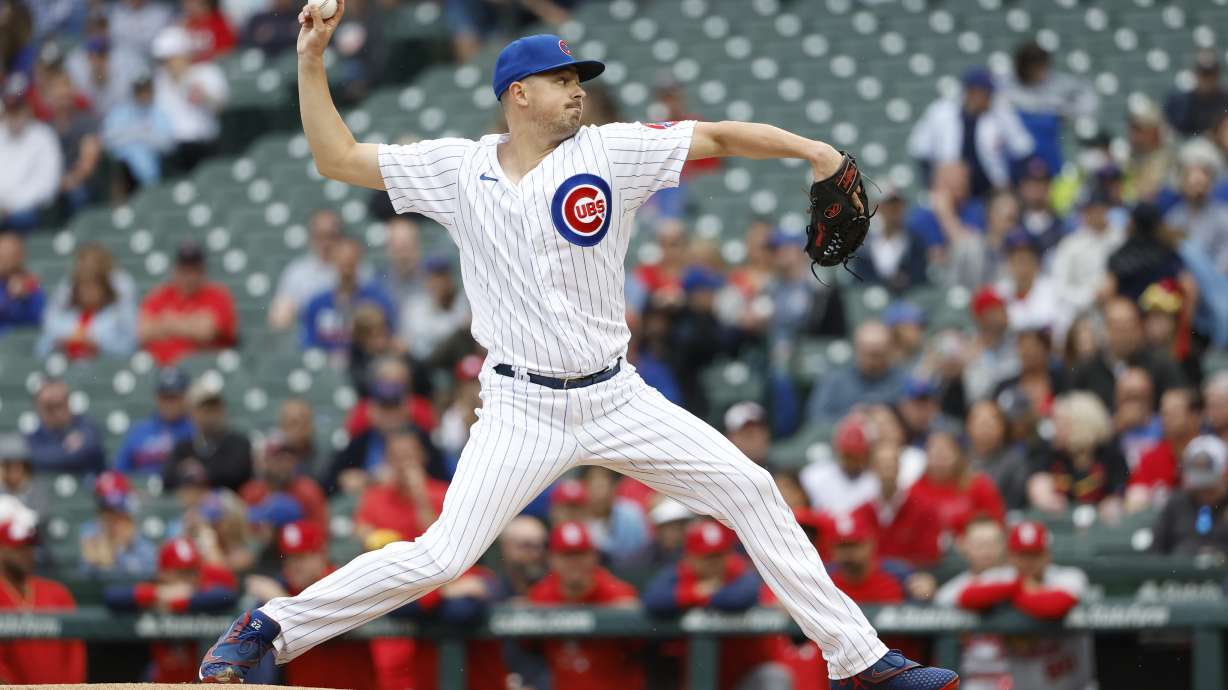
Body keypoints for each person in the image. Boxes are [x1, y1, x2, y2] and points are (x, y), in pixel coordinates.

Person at [200, 17, 958, 689]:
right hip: (520, 406)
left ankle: (857, 661)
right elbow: (337, 158)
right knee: (441, 556)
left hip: (615, 396)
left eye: (578, 79)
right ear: (517, 93)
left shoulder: (611, 151)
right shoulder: (456, 169)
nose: (577, 91)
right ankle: (272, 627)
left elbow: (721, 137)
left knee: (754, 489)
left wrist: (814, 151)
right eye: (560, 79)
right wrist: (310, 60)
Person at [643, 520, 793, 690]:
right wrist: (695, 593)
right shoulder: (678, 573)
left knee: (774, 677)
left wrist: (700, 596)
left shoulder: (739, 570)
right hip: (693, 678)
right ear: (690, 557)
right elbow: (653, 599)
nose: (715, 563)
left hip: (743, 677)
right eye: (708, 557)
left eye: (720, 555)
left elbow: (742, 597)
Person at [527, 521, 643, 690]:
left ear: (594, 556)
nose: (574, 562)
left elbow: (642, 650)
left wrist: (631, 619)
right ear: (551, 559)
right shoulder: (541, 596)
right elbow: (525, 648)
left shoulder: (619, 594)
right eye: (566, 555)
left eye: (580, 554)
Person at [105, 537, 238, 683]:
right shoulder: (154, 591)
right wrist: (159, 594)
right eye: (180, 572)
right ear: (163, 573)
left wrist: (181, 601)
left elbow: (227, 595)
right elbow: (112, 596)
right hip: (160, 677)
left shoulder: (202, 593)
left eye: (191, 572)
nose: (187, 579)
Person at [907, 68, 1032, 199]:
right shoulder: (941, 112)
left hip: (991, 189)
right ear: (973, 92)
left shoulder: (1001, 113)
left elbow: (1023, 149)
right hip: (950, 189)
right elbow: (920, 149)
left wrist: (1012, 183)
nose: (990, 99)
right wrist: (932, 184)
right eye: (987, 94)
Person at [0, 520, 87, 684]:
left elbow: (74, 653)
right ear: (2, 550)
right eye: (19, 548)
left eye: (30, 547)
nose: (27, 554)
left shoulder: (56, 593)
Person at [999, 41, 1098, 174]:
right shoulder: (1006, 84)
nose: (1041, 72)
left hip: (1049, 151)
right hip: (1016, 153)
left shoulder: (1057, 84)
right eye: (1036, 67)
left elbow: (1089, 99)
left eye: (1043, 66)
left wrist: (1067, 111)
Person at [1070, 296, 1185, 409]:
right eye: (1118, 328)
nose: (1124, 335)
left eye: (1129, 326)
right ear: (1105, 330)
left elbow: (1178, 407)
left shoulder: (1161, 365)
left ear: (1139, 328)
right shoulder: (1085, 370)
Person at [138, 240, 238, 365]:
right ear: (175, 270)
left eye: (193, 270)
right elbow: (143, 332)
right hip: (162, 369)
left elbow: (206, 331)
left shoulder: (218, 295)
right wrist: (191, 324)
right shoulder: (160, 295)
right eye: (184, 270)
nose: (189, 276)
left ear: (202, 270)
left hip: (205, 369)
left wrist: (168, 322)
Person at [1026, 392, 1127, 515]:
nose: (1053, 429)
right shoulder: (1051, 455)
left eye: (1059, 422)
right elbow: (1038, 481)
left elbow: (1119, 493)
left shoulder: (1109, 455)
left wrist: (1113, 502)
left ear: (1080, 424)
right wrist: (1043, 493)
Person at [1048, 185, 1125, 336]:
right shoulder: (1070, 245)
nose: (1095, 214)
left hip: (1118, 313)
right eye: (1089, 209)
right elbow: (1059, 290)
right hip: (1083, 318)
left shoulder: (1121, 240)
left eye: (1099, 208)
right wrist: (1091, 296)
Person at [150, 24, 229, 172]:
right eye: (163, 61)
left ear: (183, 55)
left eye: (170, 59)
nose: (167, 65)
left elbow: (220, 106)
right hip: (171, 149)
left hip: (203, 145)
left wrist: (199, 92)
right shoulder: (160, 81)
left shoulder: (207, 72)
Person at [36, 246, 137, 359]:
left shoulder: (112, 318)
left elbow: (127, 347)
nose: (87, 293)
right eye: (83, 287)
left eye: (93, 287)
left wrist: (96, 344)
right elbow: (42, 348)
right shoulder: (67, 319)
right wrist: (64, 341)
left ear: (104, 290)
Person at [352, 428, 448, 546]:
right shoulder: (374, 495)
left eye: (409, 456)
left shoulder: (444, 493)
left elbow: (441, 543)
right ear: (387, 460)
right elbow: (362, 530)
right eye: (396, 457)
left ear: (423, 456)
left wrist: (420, 496)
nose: (403, 463)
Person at [300, 235, 395, 352]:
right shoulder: (317, 303)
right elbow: (309, 342)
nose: (347, 264)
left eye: (351, 259)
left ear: (359, 260)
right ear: (334, 260)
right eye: (342, 259)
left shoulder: (377, 300)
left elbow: (387, 340)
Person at [162, 376, 253, 492]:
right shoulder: (184, 446)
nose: (211, 416)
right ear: (192, 413)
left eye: (216, 409)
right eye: (206, 410)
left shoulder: (239, 443)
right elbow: (167, 478)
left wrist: (195, 471)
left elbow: (233, 475)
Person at [806, 321, 904, 425]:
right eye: (868, 353)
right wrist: (849, 420)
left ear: (889, 350)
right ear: (857, 350)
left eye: (878, 353)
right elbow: (817, 418)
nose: (873, 360)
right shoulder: (835, 381)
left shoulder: (902, 381)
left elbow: (913, 421)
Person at [1126, 388, 1204, 511]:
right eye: (1164, 413)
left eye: (1174, 413)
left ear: (1194, 416)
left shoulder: (1212, 452)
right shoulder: (1151, 457)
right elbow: (1134, 502)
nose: (1167, 419)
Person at [0, 76, 62, 231]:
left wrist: (10, 206)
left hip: (29, 210)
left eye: (17, 108)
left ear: (28, 108)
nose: (13, 114)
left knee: (20, 219)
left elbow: (47, 187)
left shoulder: (44, 136)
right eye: (10, 108)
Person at [1151, 435, 1228, 556]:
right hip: (1179, 572)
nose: (1204, 492)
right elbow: (1155, 551)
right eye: (1199, 486)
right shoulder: (1176, 503)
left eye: (1209, 488)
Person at [269, 208, 344, 330]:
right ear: (311, 237)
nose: (326, 243)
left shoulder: (355, 268)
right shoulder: (297, 273)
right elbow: (279, 318)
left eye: (331, 236)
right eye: (320, 236)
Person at [102, 72, 175, 195]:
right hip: (124, 173)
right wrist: (137, 135)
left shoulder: (159, 113)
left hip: (158, 168)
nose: (144, 94)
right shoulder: (120, 112)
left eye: (147, 90)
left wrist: (142, 137)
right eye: (140, 91)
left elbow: (168, 144)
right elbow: (108, 140)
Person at [240, 432, 328, 533]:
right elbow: (244, 533)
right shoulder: (251, 492)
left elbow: (321, 534)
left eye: (289, 457)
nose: (284, 463)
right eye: (278, 457)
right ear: (265, 461)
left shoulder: (308, 491)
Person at [113, 367, 194, 473]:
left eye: (174, 398)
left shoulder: (195, 430)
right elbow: (119, 472)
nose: (169, 404)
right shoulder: (139, 431)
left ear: (186, 398)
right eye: (164, 397)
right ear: (156, 398)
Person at [79, 471, 158, 579]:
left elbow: (150, 572)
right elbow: (86, 575)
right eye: (107, 510)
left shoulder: (137, 537)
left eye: (117, 511)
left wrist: (121, 551)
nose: (111, 517)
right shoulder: (90, 533)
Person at [850, 187, 927, 292]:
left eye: (897, 206)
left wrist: (906, 279)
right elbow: (860, 278)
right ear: (879, 208)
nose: (894, 211)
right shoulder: (865, 242)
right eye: (889, 206)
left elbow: (920, 275)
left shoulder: (915, 241)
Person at [25, 379, 106, 475]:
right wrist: (66, 450)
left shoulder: (86, 426)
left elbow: (88, 450)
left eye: (60, 404)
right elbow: (34, 459)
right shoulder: (33, 437)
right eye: (49, 406)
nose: (56, 412)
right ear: (38, 407)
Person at [399, 255, 470, 362]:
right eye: (433, 278)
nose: (439, 283)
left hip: (455, 359)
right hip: (425, 363)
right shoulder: (414, 306)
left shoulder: (464, 300)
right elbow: (413, 342)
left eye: (443, 277)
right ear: (425, 280)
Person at [965, 400, 1031, 510]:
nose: (985, 428)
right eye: (981, 423)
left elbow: (1014, 502)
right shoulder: (960, 458)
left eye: (990, 423)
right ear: (969, 426)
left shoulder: (1014, 460)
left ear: (1002, 427)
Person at [962, 286, 1019, 402]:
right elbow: (975, 395)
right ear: (982, 317)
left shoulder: (1017, 340)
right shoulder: (969, 348)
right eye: (997, 308)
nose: (1005, 312)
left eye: (1003, 307)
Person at [1164, 49, 1228, 138]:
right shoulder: (1181, 101)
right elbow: (1175, 130)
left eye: (1211, 73)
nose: (1208, 79)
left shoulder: (1225, 100)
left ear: (1217, 74)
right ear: (1196, 73)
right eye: (1204, 74)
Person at [1114, 367, 1163, 471]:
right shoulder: (1108, 429)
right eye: (1128, 397)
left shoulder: (1163, 425)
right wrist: (1116, 432)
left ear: (1150, 397)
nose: (1133, 405)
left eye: (1137, 397)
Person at [0, 232, 44, 335]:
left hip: (14, 341)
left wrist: (22, 299)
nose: (3, 261)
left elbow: (37, 320)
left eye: (8, 256)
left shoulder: (31, 284)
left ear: (20, 257)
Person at [495, 515, 548, 600]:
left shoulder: (554, 586)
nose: (535, 554)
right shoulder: (491, 586)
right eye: (526, 546)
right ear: (505, 546)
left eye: (538, 546)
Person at [0, 434, 49, 515]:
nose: (13, 470)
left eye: (17, 465)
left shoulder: (37, 489)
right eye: (8, 465)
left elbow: (41, 518)